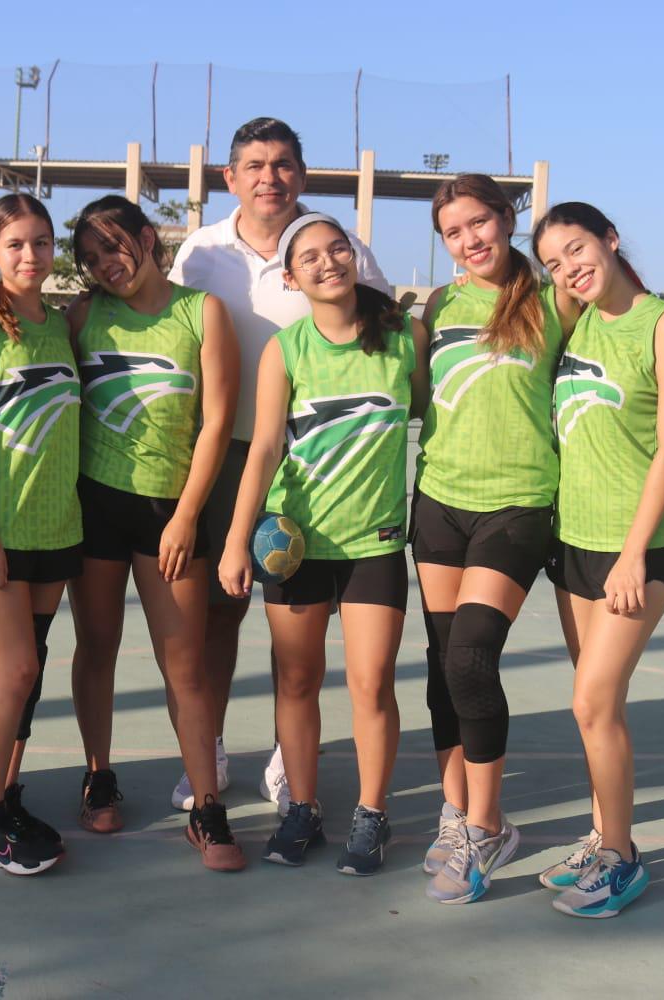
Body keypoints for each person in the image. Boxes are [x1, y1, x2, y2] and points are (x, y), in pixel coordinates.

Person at [167, 117, 389, 815]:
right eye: (255, 165)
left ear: (303, 174)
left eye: (284, 163)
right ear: (229, 179)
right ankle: (214, 745)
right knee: (221, 613)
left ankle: (289, 756)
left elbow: (384, 330)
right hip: (230, 453)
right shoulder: (200, 253)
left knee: (302, 619)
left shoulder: (337, 248)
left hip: (321, 464)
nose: (271, 176)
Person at [219, 213, 429, 874]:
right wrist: (233, 543)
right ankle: (301, 808)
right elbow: (262, 453)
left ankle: (371, 815)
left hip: (373, 542)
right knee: (298, 679)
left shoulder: (406, 338)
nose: (327, 262)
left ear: (356, 255)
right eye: (308, 257)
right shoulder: (286, 349)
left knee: (371, 685)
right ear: (291, 277)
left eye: (337, 248)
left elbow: (430, 414)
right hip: (295, 541)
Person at [64, 195, 245, 871]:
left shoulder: (202, 312)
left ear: (147, 237)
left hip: (172, 510)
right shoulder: (83, 315)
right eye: (90, 257)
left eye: (114, 246)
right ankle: (97, 773)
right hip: (96, 506)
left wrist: (187, 515)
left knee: (185, 665)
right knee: (97, 645)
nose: (106, 265)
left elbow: (216, 421)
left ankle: (206, 805)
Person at [415, 173, 581, 905]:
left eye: (480, 223)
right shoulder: (439, 305)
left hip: (516, 503)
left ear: (508, 219)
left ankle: (487, 828)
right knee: (441, 665)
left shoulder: (554, 299)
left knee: (473, 657)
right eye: (455, 231)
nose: (470, 239)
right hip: (439, 501)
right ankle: (456, 813)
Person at [534, 202, 664, 918]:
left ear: (610, 240)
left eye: (576, 248)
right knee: (600, 706)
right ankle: (603, 835)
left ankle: (624, 859)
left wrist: (633, 554)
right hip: (576, 538)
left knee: (591, 699)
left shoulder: (663, 323)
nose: (569, 267)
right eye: (554, 261)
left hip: (642, 543)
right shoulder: (579, 322)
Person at [0, 193, 80, 876]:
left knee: (28, 677)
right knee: (18, 670)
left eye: (41, 243)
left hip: (56, 523)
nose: (31, 256)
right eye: (16, 246)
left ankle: (6, 798)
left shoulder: (60, 325)